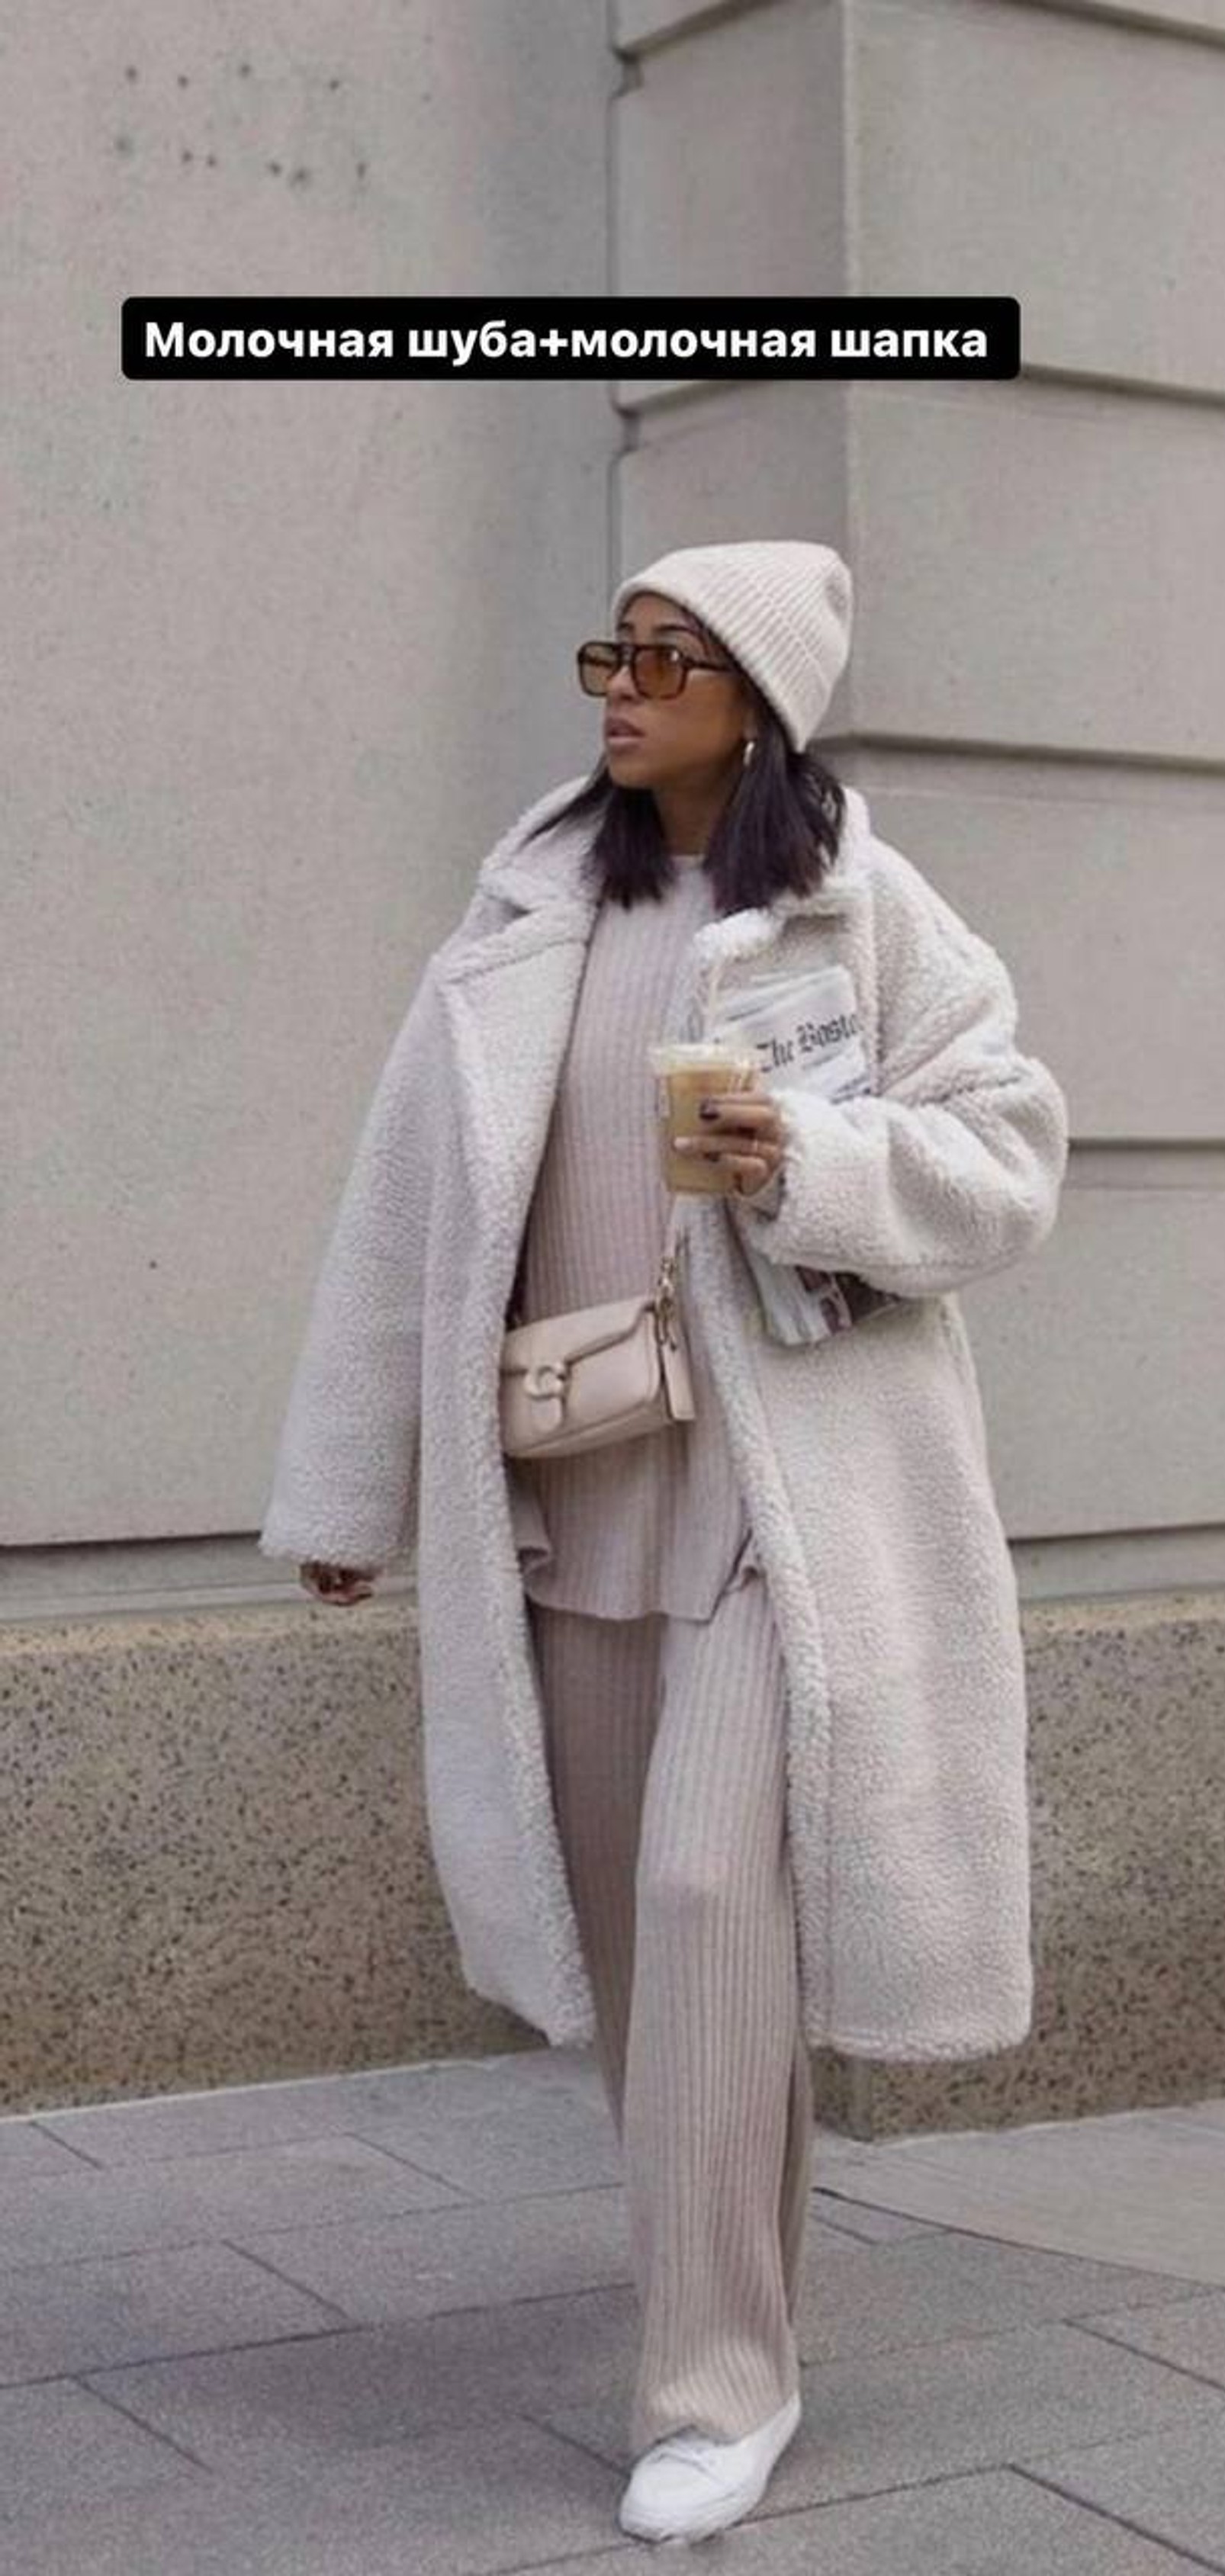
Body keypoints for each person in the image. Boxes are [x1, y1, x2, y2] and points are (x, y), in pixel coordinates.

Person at [262, 538, 1070, 2543]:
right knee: (647, 1969)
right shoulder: (531, 909)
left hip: (775, 1519)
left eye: (667, 659)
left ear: (758, 700)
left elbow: (1010, 1153)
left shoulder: (863, 908)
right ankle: (722, 2316)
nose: (620, 688)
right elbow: (402, 1214)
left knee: (712, 1898)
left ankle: (719, 2390)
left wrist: (817, 1157)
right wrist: (352, 1488)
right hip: (567, 1502)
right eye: (611, 653)